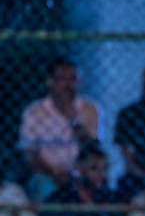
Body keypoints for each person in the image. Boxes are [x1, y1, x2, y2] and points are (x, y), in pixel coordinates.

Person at [18, 59, 100, 200]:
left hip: (82, 172)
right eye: (62, 79)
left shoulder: (90, 109)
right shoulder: (34, 111)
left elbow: (93, 147)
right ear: (50, 82)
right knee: (43, 185)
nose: (68, 85)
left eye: (73, 79)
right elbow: (29, 154)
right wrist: (55, 173)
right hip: (46, 173)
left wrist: (71, 117)